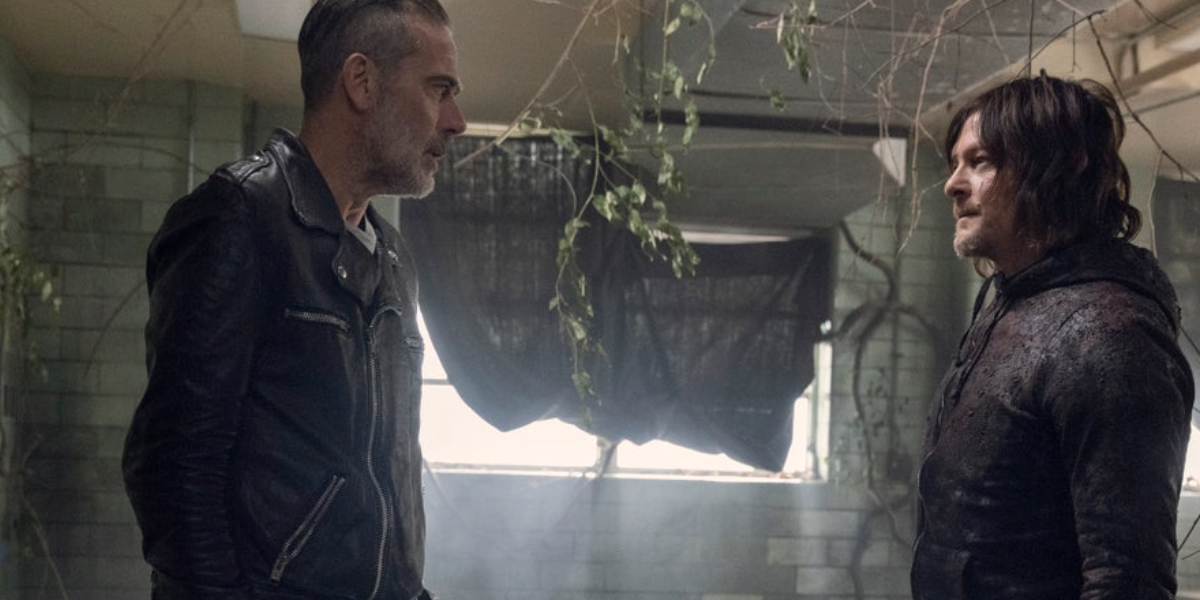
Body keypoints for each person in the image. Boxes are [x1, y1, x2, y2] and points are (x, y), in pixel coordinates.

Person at [121, 0, 466, 598]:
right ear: (361, 82)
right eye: (439, 89)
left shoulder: (392, 258)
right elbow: (174, 469)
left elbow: (387, 475)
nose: (456, 121)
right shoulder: (239, 217)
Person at [912, 73, 1195, 600]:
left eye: (980, 161)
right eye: (955, 163)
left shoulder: (1109, 335)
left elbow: (1127, 580)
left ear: (1058, 169)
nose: (953, 183)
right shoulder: (1015, 302)